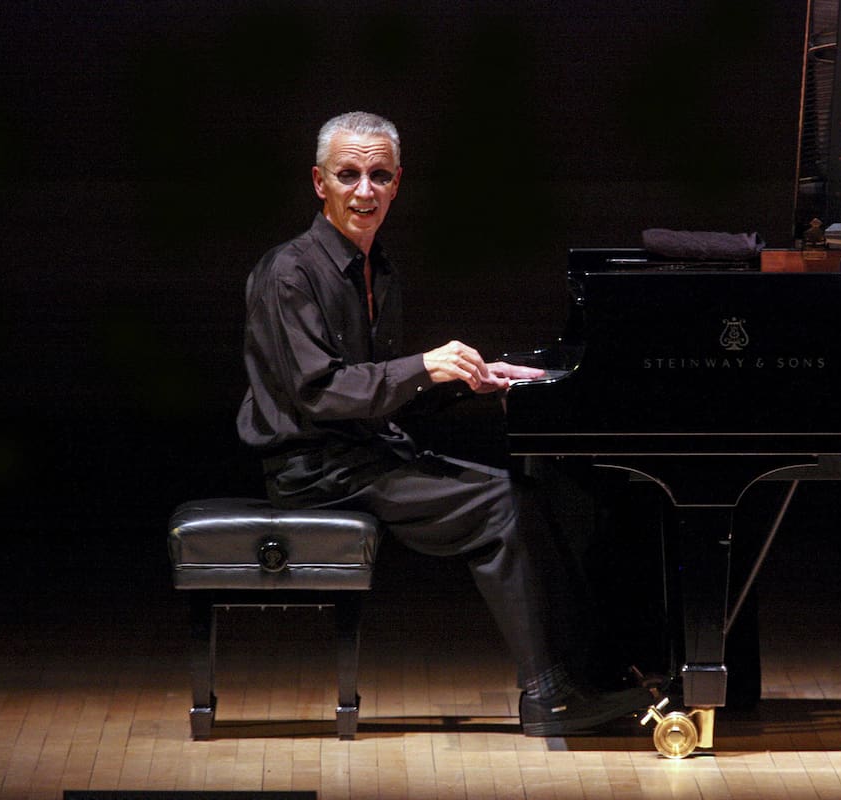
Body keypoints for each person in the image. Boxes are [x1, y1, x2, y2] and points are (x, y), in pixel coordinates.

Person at [235, 111, 655, 736]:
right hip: (315, 469)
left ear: (397, 182)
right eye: (348, 175)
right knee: (501, 504)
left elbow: (379, 395)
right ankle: (549, 697)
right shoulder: (288, 272)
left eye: (380, 176)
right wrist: (423, 367)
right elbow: (319, 393)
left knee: (535, 494)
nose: (365, 190)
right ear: (319, 183)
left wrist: (469, 379)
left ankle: (593, 674)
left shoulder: (378, 269)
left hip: (363, 454)